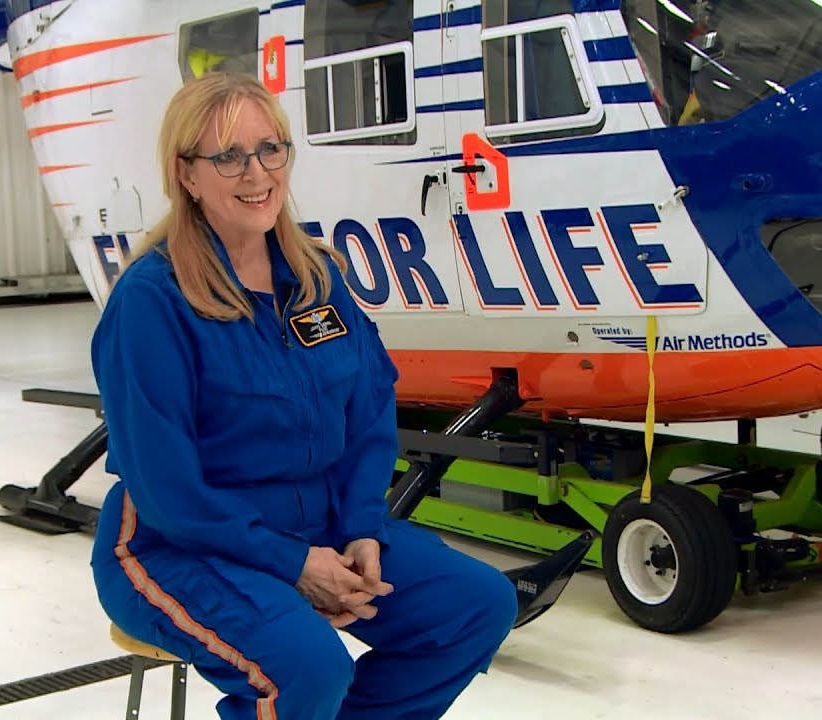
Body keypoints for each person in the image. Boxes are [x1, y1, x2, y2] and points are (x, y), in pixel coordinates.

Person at [88, 71, 518, 720]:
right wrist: (293, 563)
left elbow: (369, 414)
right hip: (175, 546)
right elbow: (168, 491)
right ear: (187, 174)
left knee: (473, 607)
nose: (257, 173)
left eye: (271, 148)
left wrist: (362, 528)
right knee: (307, 667)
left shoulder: (317, 278)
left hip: (318, 525)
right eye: (228, 156)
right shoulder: (153, 301)